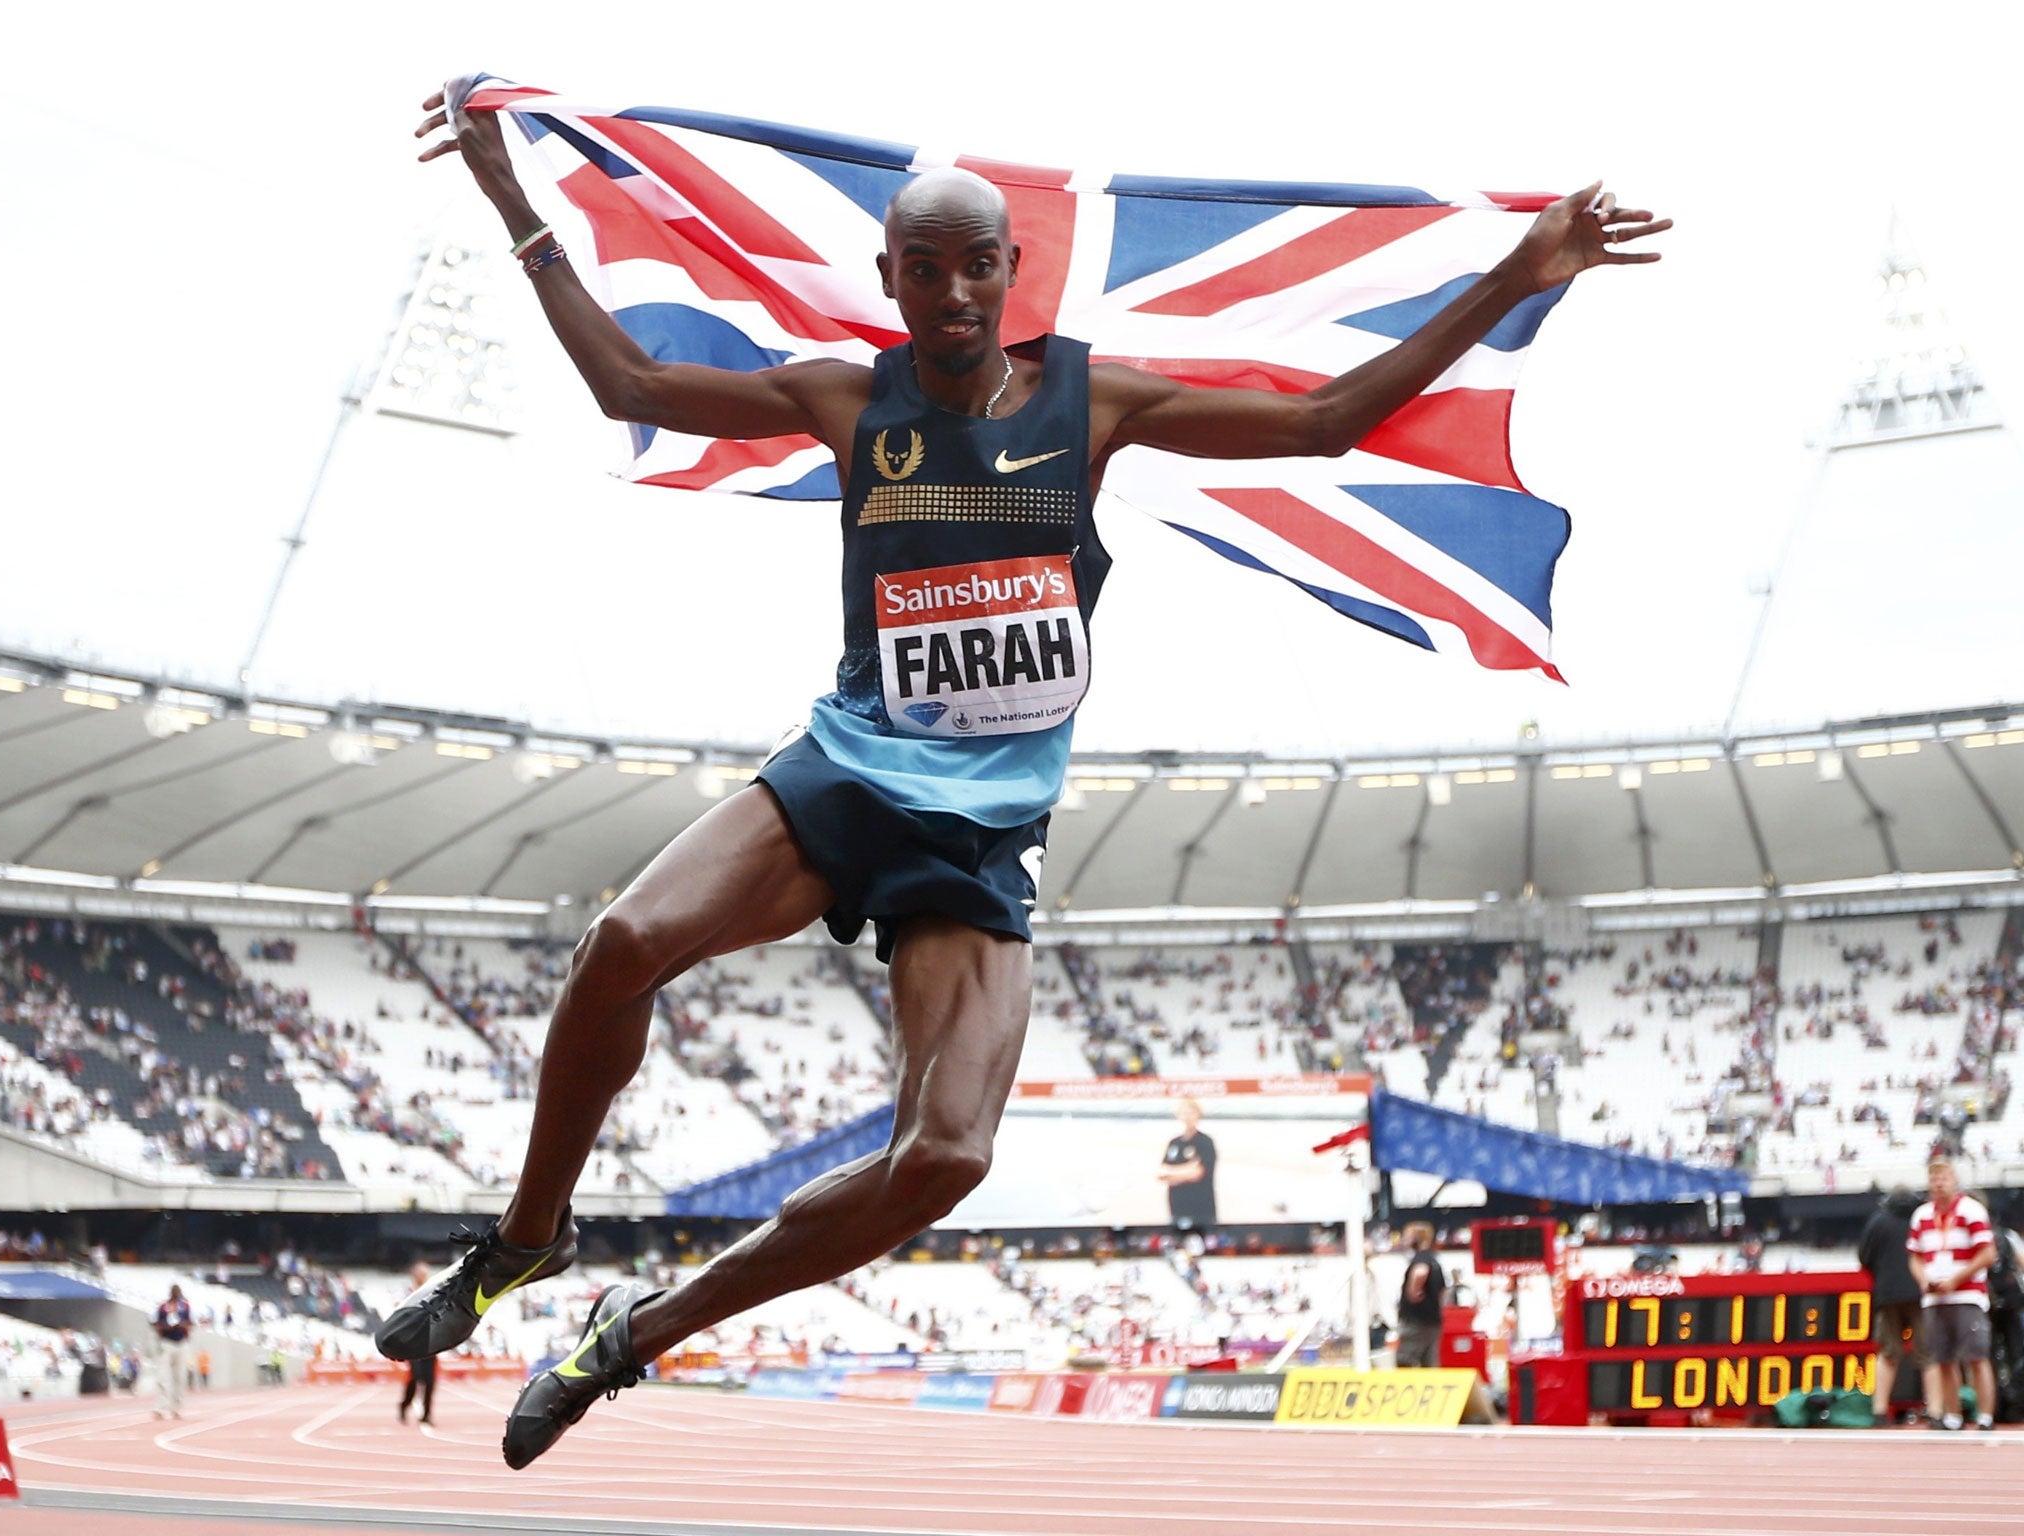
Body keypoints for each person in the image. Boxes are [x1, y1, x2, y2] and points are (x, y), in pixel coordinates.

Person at [384, 75, 1669, 1470]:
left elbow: (1329, 419)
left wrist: (1522, 270)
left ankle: (635, 1334)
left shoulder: (1090, 402)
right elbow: (629, 386)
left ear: (1011, 272)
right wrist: (513, 197)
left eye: (975, 264)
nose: (949, 289)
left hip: (984, 830)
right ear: (891, 277)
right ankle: (529, 1235)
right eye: (921, 266)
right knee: (621, 942)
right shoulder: (845, 399)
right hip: (846, 774)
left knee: (944, 1159)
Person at [1907, 1155, 1998, 1430]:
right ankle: (1953, 1415)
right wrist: (1924, 1280)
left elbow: (1988, 1254)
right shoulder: (1922, 1215)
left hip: (1967, 1295)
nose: (1938, 1184)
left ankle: (1985, 1416)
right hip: (1934, 1296)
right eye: (1934, 1179)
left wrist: (1956, 1279)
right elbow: (1915, 1257)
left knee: (1976, 1356)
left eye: (1943, 1178)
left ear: (1955, 1181)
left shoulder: (1971, 1210)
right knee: (1942, 1359)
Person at [1856, 1186, 1926, 1424]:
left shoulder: (1878, 1221)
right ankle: (1938, 1410)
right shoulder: (1922, 1218)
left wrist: (1882, 1276)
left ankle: (1879, 1411)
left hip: (1888, 1294)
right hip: (1921, 1292)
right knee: (1929, 1355)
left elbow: (1864, 1257)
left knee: (1887, 1353)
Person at [1157, 1098, 1217, 1231]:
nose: (1187, 1116)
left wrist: (1173, 1173)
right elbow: (1161, 1172)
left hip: (1201, 1210)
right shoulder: (1174, 1143)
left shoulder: (1205, 1142)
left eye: (1191, 1112)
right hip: (1177, 1208)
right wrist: (1187, 1169)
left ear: (1198, 1114)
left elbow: (1197, 1173)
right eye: (1184, 1112)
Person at [1395, 1222, 1446, 1368]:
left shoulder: (1421, 1258)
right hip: (1433, 1321)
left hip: (1416, 1322)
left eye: (1407, 1237)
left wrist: (1413, 1291)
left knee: (1404, 1361)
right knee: (1429, 1365)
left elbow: (1420, 1272)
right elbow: (1443, 1290)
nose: (1405, 1241)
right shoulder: (1434, 1260)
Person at [398, 1262, 438, 1426]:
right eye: (420, 1273)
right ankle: (404, 1405)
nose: (423, 1275)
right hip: (413, 1342)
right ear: (414, 1274)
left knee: (430, 1380)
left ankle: (427, 1414)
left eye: (425, 1273)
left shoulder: (432, 1291)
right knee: (416, 1377)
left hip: (431, 1341)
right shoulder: (407, 1293)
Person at [150, 1284, 191, 1420]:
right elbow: (154, 1323)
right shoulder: (163, 1307)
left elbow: (191, 1323)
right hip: (166, 1343)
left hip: (181, 1343)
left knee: (180, 1377)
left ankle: (177, 1408)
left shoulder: (185, 1307)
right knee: (162, 1377)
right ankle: (161, 1407)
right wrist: (165, 1328)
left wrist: (182, 1326)